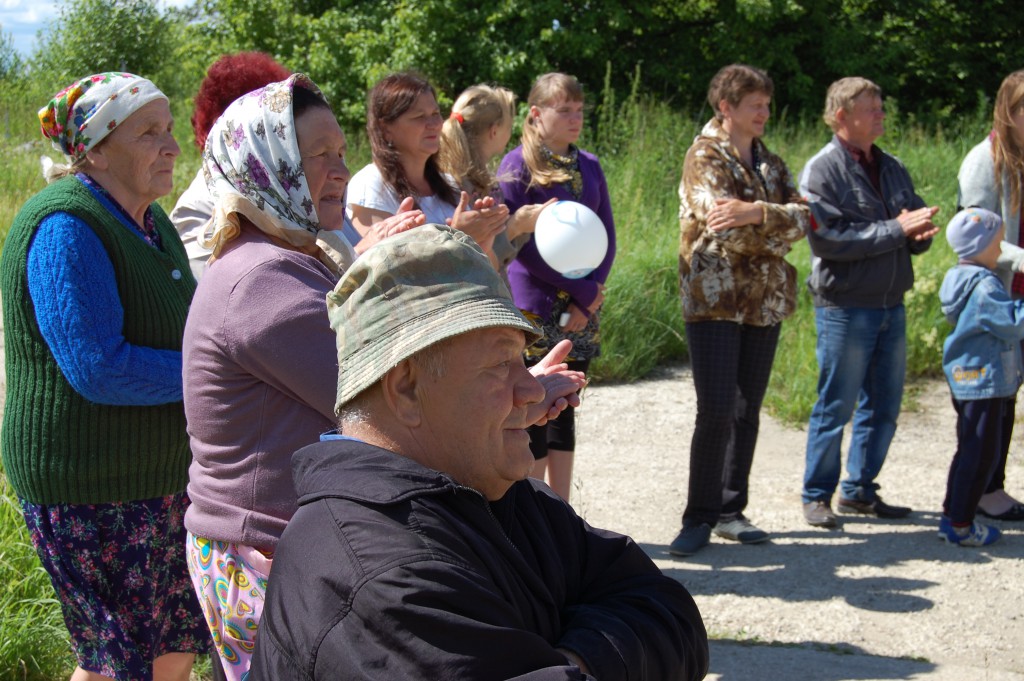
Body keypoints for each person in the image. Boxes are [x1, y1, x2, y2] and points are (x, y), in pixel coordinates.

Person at [181, 74, 585, 679]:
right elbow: (379, 394)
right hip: (264, 545)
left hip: (292, 536)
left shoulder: (290, 256)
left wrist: (510, 386)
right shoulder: (260, 282)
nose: (339, 170)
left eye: (341, 153)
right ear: (265, 165)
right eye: (316, 155)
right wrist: (518, 397)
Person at [249, 224, 709, 680]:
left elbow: (671, 614)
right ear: (407, 389)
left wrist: (571, 664)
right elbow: (648, 621)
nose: (531, 388)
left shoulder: (498, 494)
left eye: (523, 360)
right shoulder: (380, 575)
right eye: (500, 363)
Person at [0, 72, 206, 680]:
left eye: (169, 130)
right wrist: (212, 373)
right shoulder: (66, 227)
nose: (171, 146)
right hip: (89, 487)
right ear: (93, 149)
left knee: (172, 648)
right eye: (149, 133)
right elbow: (99, 367)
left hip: (156, 477)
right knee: (117, 665)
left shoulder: (149, 220)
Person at [670, 64, 809, 557]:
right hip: (716, 299)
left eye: (767, 105)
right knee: (717, 410)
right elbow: (719, 224)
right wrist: (772, 223)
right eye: (756, 105)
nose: (764, 114)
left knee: (749, 409)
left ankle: (732, 509)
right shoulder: (703, 156)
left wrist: (756, 212)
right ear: (726, 108)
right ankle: (699, 517)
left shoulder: (770, 162)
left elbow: (805, 217)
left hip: (763, 301)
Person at [799, 76, 939, 528]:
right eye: (871, 108)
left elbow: (909, 220)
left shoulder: (893, 165)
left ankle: (859, 492)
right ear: (841, 116)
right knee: (835, 405)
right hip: (844, 307)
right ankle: (817, 495)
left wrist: (919, 235)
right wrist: (898, 230)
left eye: (881, 106)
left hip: (890, 304)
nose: (881, 114)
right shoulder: (821, 170)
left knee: (884, 406)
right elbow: (828, 241)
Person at [497, 72, 617, 501]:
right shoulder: (516, 167)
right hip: (534, 304)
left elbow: (606, 234)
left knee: (567, 407)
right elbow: (521, 248)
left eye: (579, 110)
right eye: (563, 110)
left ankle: (563, 509)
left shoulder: (590, 164)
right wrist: (583, 293)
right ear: (535, 113)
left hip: (584, 306)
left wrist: (592, 291)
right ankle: (533, 506)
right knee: (535, 409)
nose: (574, 118)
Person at [955, 69, 1024, 522]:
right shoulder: (986, 159)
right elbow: (977, 240)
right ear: (1009, 111)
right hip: (999, 299)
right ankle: (986, 490)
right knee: (997, 399)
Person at [347, 71, 508, 257]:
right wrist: (459, 238)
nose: (433, 123)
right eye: (419, 117)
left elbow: (489, 269)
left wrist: (482, 242)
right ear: (386, 129)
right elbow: (382, 271)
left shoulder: (450, 185)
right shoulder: (370, 186)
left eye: (435, 113)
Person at [938, 207, 1023, 546]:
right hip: (983, 380)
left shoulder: (958, 276)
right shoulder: (985, 285)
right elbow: (1011, 322)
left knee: (969, 449)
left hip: (969, 378)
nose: (1002, 248)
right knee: (979, 454)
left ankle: (951, 515)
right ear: (982, 245)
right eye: (999, 242)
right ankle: (961, 526)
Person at [169, 51, 292, 279]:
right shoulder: (197, 211)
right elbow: (213, 294)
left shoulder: (294, 191)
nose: (290, 139)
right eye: (276, 127)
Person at [437, 83, 552, 273]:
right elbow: (477, 261)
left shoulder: (448, 175)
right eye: (509, 126)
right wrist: (516, 226)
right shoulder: (468, 186)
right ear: (494, 131)